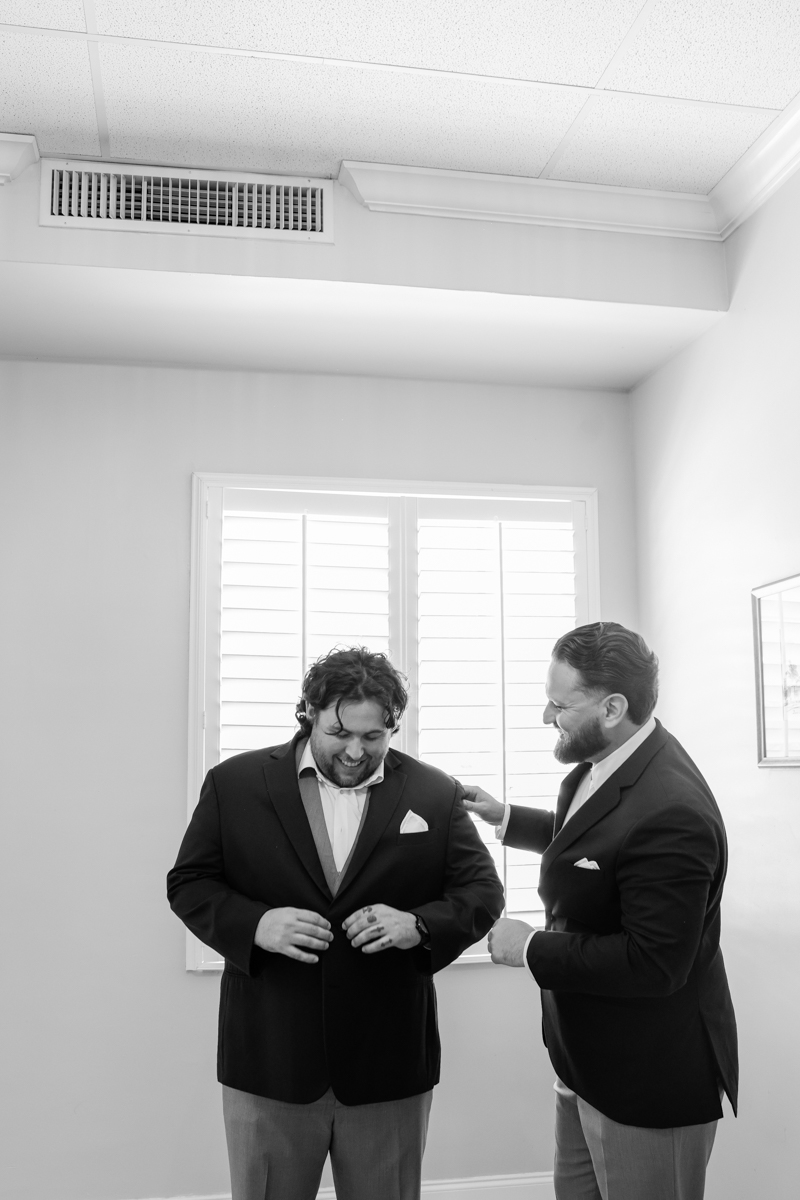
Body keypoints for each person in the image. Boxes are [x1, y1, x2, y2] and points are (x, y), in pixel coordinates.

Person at [168, 646, 503, 1200]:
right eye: (339, 733)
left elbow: (483, 893)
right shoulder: (233, 783)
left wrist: (418, 924)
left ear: (393, 726)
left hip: (389, 1062)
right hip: (270, 1058)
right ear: (308, 713)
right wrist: (256, 925)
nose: (354, 752)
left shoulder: (434, 791)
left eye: (373, 737)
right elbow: (189, 882)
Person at [464, 622, 738, 1200]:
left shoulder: (673, 812)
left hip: (648, 1080)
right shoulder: (609, 760)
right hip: (584, 1063)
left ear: (613, 708)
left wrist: (529, 947)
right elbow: (598, 844)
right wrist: (507, 818)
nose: (547, 716)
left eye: (560, 705)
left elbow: (653, 963)